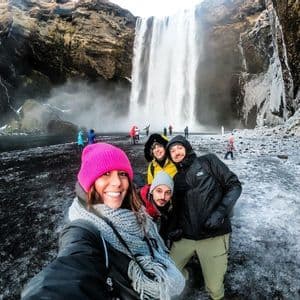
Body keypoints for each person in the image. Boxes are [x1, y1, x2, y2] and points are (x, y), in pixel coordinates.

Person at [22, 143, 185, 300]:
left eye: (122, 174)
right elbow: (71, 269)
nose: (117, 183)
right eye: (105, 173)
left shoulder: (133, 208)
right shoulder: (83, 227)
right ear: (89, 181)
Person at [166, 135, 242, 300]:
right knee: (169, 273)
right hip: (186, 235)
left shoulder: (208, 162)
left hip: (213, 233)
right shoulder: (176, 178)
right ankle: (187, 275)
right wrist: (174, 228)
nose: (176, 152)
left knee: (214, 289)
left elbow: (234, 185)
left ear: (187, 147)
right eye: (172, 151)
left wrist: (220, 213)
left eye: (179, 147)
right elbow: (177, 209)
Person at [140, 171, 174, 244]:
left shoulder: (169, 209)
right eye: (159, 191)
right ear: (152, 191)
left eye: (167, 193)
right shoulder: (138, 207)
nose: (163, 197)